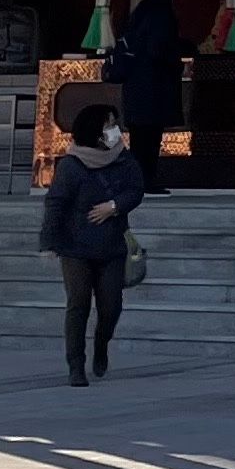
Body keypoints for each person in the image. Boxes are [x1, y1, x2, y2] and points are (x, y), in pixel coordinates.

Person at [42, 101, 146, 384]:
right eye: (109, 124)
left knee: (111, 306)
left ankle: (102, 342)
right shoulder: (71, 165)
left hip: (111, 245)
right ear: (94, 130)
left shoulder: (124, 159)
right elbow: (56, 203)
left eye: (115, 124)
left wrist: (114, 206)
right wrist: (49, 241)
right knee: (78, 304)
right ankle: (76, 365)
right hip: (75, 247)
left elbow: (136, 190)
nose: (115, 130)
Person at [117, 0, 185, 183]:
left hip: (134, 84)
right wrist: (176, 63)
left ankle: (137, 178)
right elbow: (159, 50)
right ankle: (148, 178)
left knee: (138, 138)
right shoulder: (162, 17)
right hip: (155, 85)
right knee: (152, 136)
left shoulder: (137, 15)